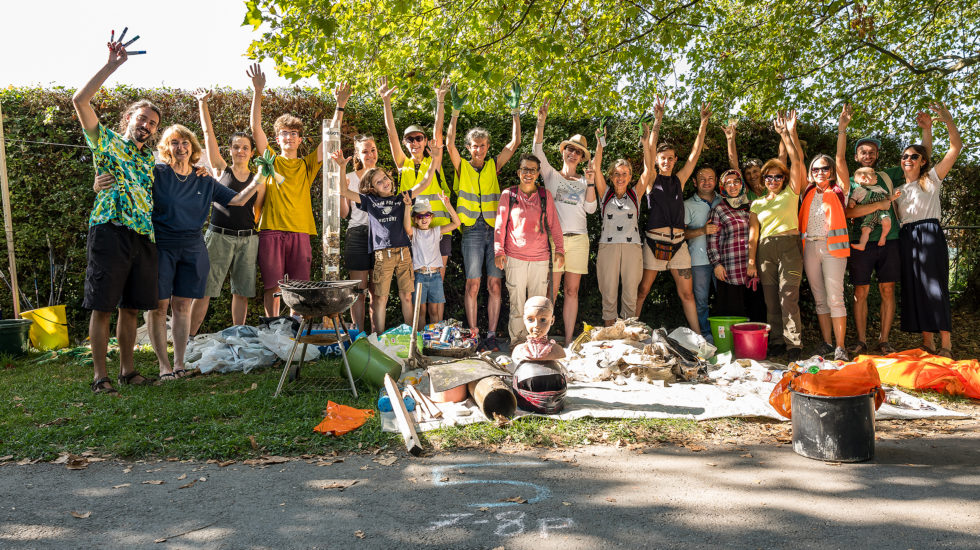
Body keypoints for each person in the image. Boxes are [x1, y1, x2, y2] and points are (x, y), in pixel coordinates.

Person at [94, 123, 264, 381]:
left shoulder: (204, 178)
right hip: (161, 247)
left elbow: (239, 200)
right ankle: (164, 366)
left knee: (182, 306)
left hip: (193, 248)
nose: (181, 147)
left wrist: (260, 177)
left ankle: (179, 363)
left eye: (185, 143)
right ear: (166, 147)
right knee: (158, 308)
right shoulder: (156, 172)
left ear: (193, 148)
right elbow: (128, 184)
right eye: (175, 142)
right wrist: (99, 184)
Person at [73, 38, 161, 393]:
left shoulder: (149, 160)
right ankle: (100, 376)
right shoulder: (105, 141)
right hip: (110, 230)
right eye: (142, 118)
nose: (147, 125)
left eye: (153, 123)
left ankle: (127, 371)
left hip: (143, 236)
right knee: (103, 306)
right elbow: (80, 101)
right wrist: (112, 65)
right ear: (128, 118)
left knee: (131, 308)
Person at [249, 64, 349, 316]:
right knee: (273, 286)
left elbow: (329, 138)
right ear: (278, 138)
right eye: (284, 133)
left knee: (299, 287)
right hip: (271, 230)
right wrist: (257, 92)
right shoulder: (270, 158)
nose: (289, 137)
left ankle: (295, 328)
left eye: (294, 133)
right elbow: (256, 130)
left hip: (300, 231)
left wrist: (340, 106)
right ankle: (273, 327)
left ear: (300, 139)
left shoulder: (306, 165)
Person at [837, 104, 933, 356]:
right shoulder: (852, 180)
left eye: (872, 152)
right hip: (860, 242)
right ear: (857, 156)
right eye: (863, 152)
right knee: (860, 291)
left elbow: (922, 160)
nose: (867, 155)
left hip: (890, 241)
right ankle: (860, 340)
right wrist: (842, 130)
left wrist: (926, 130)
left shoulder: (889, 175)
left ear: (877, 155)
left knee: (887, 289)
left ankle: (884, 340)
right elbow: (848, 212)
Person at [333, 139, 445, 333]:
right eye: (378, 182)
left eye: (385, 178)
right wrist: (342, 167)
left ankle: (412, 338)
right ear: (372, 189)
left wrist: (435, 159)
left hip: (403, 254)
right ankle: (378, 338)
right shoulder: (369, 201)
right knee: (381, 298)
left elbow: (425, 182)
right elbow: (343, 190)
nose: (385, 182)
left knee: (407, 296)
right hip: (382, 256)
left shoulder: (402, 197)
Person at [446, 83, 522, 351]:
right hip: (471, 230)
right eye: (475, 146)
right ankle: (473, 334)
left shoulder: (493, 165)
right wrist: (454, 112)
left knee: (494, 285)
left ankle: (490, 335)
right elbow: (448, 144)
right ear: (469, 147)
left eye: (483, 145)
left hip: (495, 230)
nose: (479, 149)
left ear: (488, 146)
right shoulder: (462, 167)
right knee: (473, 283)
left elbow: (514, 144)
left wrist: (515, 111)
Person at [189, 89, 265, 335]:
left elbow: (258, 211)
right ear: (230, 150)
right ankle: (187, 339)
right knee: (204, 290)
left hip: (247, 239)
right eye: (235, 147)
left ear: (252, 152)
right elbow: (208, 135)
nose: (240, 151)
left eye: (245, 148)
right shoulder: (221, 170)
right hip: (218, 237)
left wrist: (250, 233)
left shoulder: (258, 180)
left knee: (241, 292)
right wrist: (203, 104)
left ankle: (237, 337)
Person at [635, 102, 712, 335]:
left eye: (670, 158)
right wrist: (657, 122)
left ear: (674, 160)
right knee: (643, 291)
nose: (666, 161)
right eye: (662, 158)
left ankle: (698, 337)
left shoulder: (679, 180)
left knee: (687, 294)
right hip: (653, 243)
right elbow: (647, 152)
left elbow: (695, 154)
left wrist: (703, 122)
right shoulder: (650, 180)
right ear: (658, 161)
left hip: (679, 245)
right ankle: (629, 331)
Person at [893, 102, 962, 358]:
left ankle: (946, 345)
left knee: (934, 287)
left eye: (914, 156)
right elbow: (924, 151)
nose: (908, 159)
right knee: (916, 288)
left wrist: (946, 121)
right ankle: (928, 344)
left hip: (929, 234)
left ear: (923, 162)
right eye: (905, 156)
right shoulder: (898, 191)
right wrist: (926, 130)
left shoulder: (931, 179)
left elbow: (955, 148)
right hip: (907, 237)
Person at [533, 98, 597, 341]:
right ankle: (543, 338)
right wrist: (541, 123)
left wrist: (590, 182)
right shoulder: (550, 175)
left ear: (582, 158)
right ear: (564, 151)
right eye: (570, 149)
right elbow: (537, 151)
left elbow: (591, 209)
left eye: (578, 152)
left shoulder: (584, 181)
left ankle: (569, 340)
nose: (573, 153)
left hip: (579, 240)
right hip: (555, 240)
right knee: (552, 290)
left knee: (572, 291)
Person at [378, 76, 453, 277]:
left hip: (440, 228)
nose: (415, 142)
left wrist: (440, 100)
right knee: (415, 281)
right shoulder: (404, 164)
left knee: (438, 280)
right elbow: (391, 133)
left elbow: (438, 130)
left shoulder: (434, 161)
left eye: (419, 138)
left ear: (425, 140)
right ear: (406, 143)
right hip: (412, 230)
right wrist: (386, 102)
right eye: (410, 139)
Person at [747, 111, 806, 361]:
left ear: (784, 178)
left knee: (788, 297)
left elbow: (798, 163)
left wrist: (787, 134)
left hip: (790, 247)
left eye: (777, 176)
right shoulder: (757, 204)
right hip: (764, 251)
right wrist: (751, 261)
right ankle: (778, 342)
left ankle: (795, 344)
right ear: (764, 179)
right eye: (768, 177)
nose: (773, 180)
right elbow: (753, 234)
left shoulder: (791, 193)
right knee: (771, 301)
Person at [590, 114, 656, 325]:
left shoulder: (636, 193)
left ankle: (629, 339)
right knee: (608, 294)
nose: (621, 177)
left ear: (629, 176)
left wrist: (646, 144)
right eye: (617, 174)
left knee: (630, 294)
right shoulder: (605, 193)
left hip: (632, 247)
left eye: (625, 173)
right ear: (612, 176)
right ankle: (610, 337)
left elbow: (649, 170)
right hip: (607, 247)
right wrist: (600, 142)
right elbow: (596, 167)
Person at [494, 154, 565, 346]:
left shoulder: (544, 195)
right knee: (517, 303)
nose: (528, 173)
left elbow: (554, 225)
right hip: (514, 256)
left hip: (540, 258)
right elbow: (500, 225)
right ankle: (517, 341)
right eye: (525, 169)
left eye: (532, 170)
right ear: (518, 172)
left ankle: (538, 340)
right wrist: (499, 251)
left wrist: (560, 249)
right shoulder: (508, 195)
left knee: (538, 304)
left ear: (538, 173)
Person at [801, 143, 852, 362]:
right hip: (810, 248)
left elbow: (841, 158)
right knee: (819, 298)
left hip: (833, 248)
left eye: (824, 168)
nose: (820, 172)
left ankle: (840, 347)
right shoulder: (808, 191)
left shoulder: (840, 190)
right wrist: (789, 134)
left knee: (835, 298)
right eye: (815, 169)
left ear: (831, 171)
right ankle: (827, 343)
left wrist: (842, 130)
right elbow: (796, 160)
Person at [707, 169, 765, 321]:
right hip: (730, 269)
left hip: (753, 268)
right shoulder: (718, 209)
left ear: (742, 184)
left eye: (736, 182)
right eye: (728, 183)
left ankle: (756, 343)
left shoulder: (753, 206)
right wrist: (716, 264)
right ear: (723, 187)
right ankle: (733, 344)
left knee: (757, 309)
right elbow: (712, 240)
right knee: (734, 313)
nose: (732, 186)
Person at [340, 135, 380, 332]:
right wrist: (342, 192)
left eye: (372, 149)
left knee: (377, 292)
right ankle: (359, 336)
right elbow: (344, 213)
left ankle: (376, 337)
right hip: (357, 235)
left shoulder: (383, 177)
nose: (370, 154)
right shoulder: (349, 177)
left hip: (380, 237)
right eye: (365, 151)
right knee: (358, 291)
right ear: (357, 154)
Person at [403, 194, 461, 323]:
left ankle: (434, 341)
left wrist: (447, 205)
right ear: (415, 220)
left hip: (435, 276)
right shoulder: (414, 233)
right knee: (420, 311)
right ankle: (420, 340)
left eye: (427, 215)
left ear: (431, 217)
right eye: (420, 216)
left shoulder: (436, 231)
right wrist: (408, 207)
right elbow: (407, 227)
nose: (424, 219)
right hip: (419, 277)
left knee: (434, 310)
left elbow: (456, 223)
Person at [684, 167, 722, 342]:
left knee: (725, 299)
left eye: (710, 178)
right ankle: (705, 336)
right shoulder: (687, 205)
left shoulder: (724, 201)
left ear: (716, 180)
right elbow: (680, 234)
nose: (707, 182)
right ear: (694, 182)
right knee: (700, 301)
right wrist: (702, 230)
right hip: (698, 260)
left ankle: (724, 335)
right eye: (702, 179)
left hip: (723, 260)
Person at [723, 119, 787, 201]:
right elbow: (734, 166)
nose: (752, 176)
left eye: (755, 171)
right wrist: (730, 139)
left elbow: (782, 160)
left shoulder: (773, 185)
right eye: (748, 173)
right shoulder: (747, 192)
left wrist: (784, 134)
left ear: (762, 172)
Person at [511, 296, 566, 364]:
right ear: (524, 320)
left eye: (543, 320)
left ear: (552, 320)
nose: (536, 325)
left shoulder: (556, 350)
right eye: (530, 320)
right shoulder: (520, 350)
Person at [848, 167, 892, 251]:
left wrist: (894, 196)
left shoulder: (878, 187)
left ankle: (883, 237)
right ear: (864, 178)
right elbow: (852, 199)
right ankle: (862, 244)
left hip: (881, 212)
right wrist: (851, 202)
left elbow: (888, 197)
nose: (876, 175)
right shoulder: (858, 190)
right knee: (865, 229)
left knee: (887, 221)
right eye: (873, 173)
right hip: (869, 214)